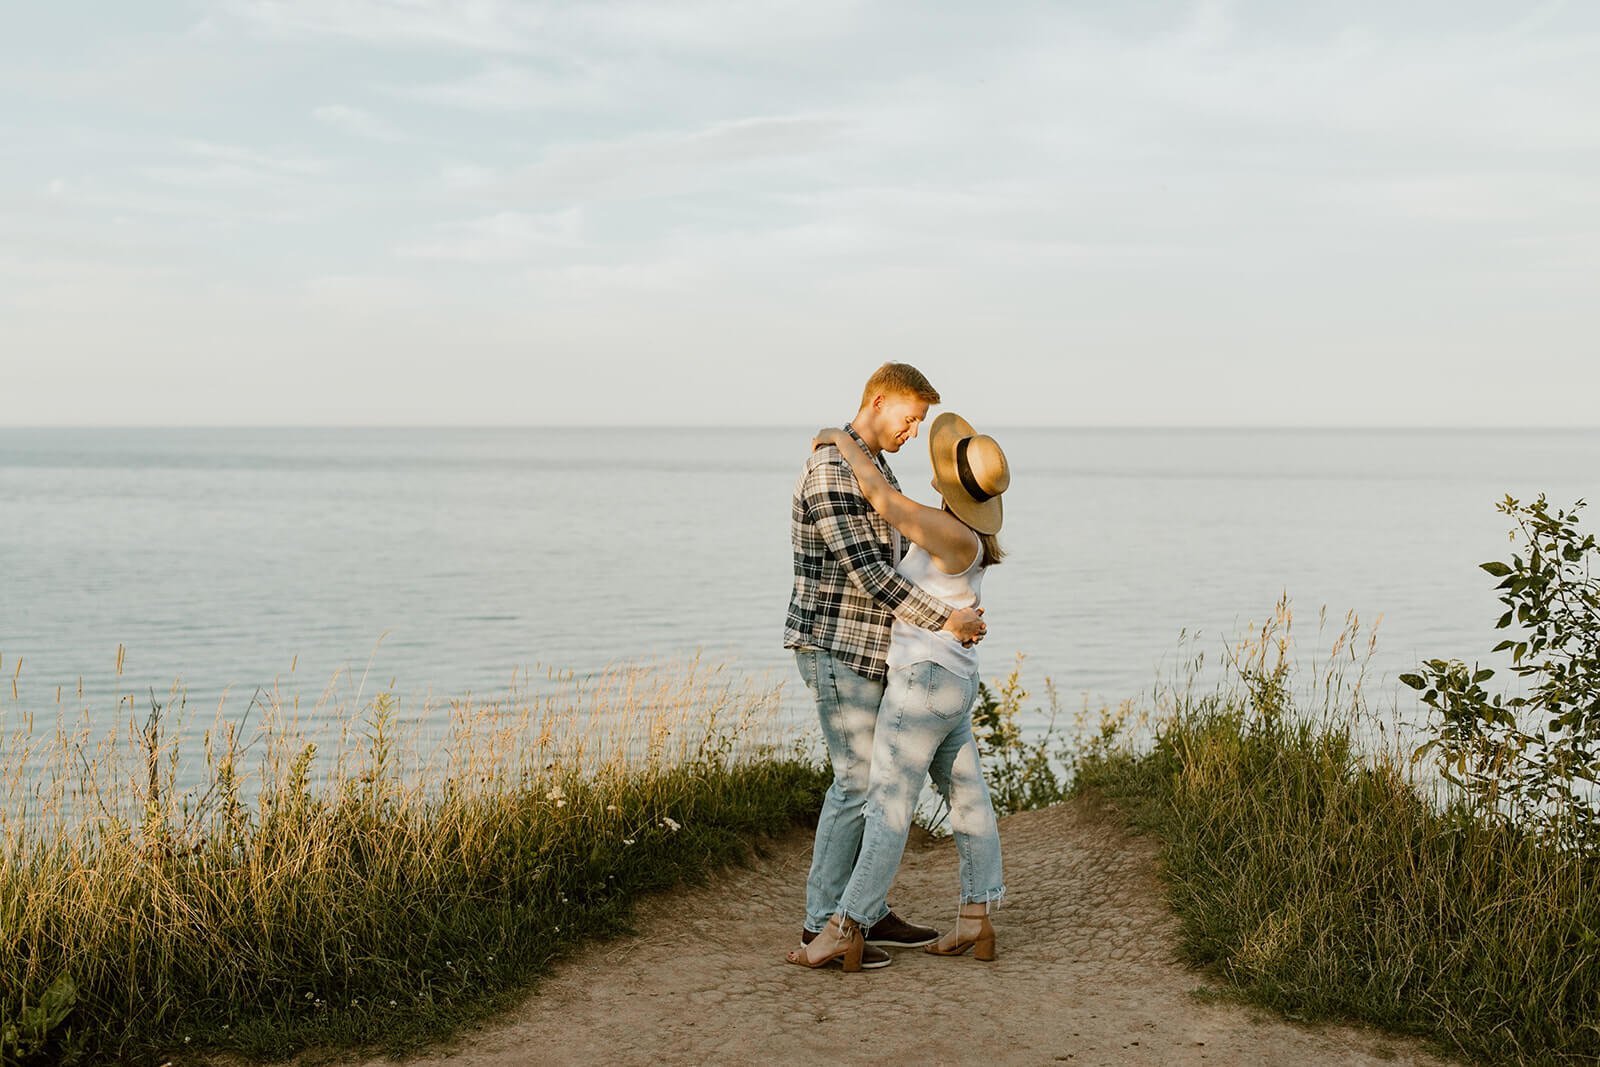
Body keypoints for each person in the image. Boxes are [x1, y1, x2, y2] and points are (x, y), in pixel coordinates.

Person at [786, 410, 1009, 972]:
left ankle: (845, 925)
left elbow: (880, 498)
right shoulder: (972, 534)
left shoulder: (948, 530)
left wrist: (839, 438)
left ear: (950, 481)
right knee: (968, 801)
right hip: (955, 677)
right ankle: (976, 919)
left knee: (887, 804)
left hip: (924, 681)